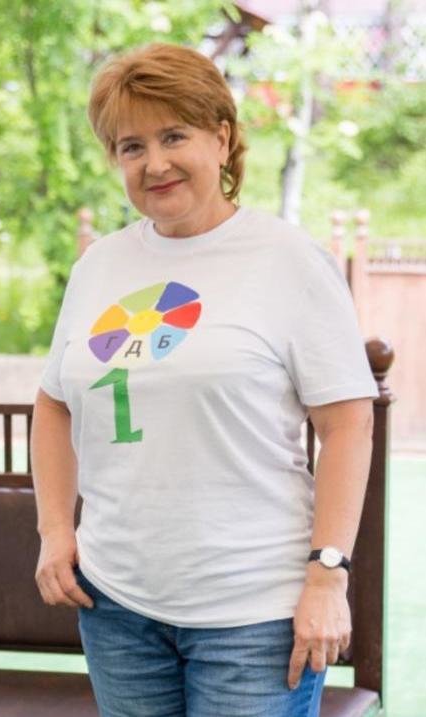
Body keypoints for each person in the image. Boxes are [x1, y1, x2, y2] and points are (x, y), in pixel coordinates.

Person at [31, 41, 379, 717]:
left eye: (173, 136)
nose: (154, 163)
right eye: (131, 146)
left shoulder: (287, 260)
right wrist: (53, 530)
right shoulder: (99, 266)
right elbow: (54, 402)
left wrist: (327, 576)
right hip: (116, 606)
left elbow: (348, 425)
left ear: (221, 139)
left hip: (254, 616)